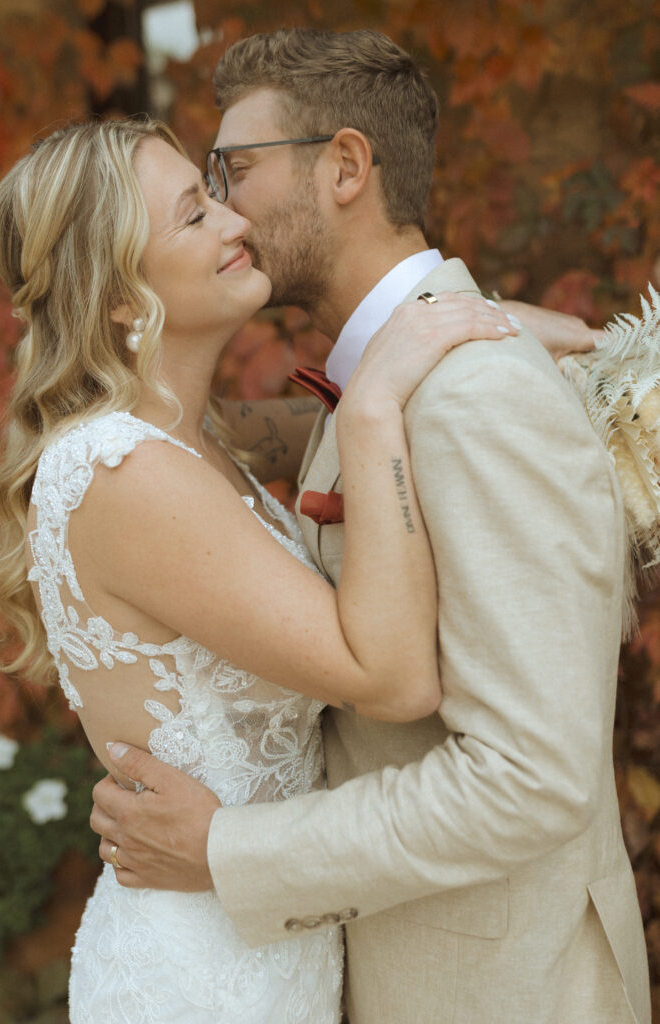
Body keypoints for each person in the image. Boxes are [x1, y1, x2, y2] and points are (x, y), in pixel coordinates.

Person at [90, 28, 652, 1024]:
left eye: (233, 168)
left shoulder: (472, 398)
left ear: (343, 166)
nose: (221, 205)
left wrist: (226, 851)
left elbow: (528, 778)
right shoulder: (383, 385)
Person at [0, 114, 531, 1022]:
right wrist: (373, 409)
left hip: (269, 947)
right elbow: (387, 677)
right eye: (193, 215)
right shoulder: (123, 470)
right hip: (198, 980)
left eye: (214, 194)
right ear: (117, 296)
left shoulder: (187, 441)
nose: (235, 223)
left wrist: (490, 332)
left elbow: (339, 416)